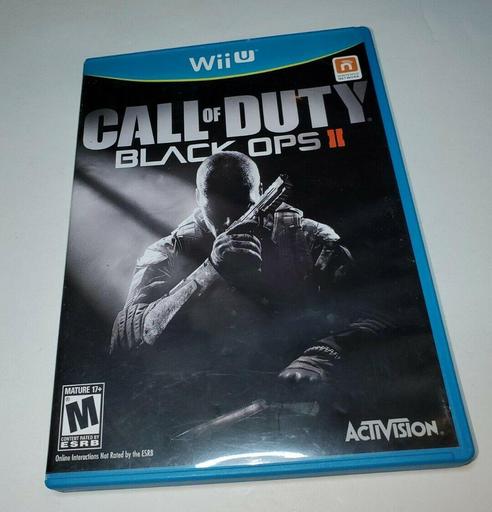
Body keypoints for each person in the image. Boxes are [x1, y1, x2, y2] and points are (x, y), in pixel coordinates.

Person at [109, 151, 391, 447]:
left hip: (303, 411)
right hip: (203, 414)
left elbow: (376, 313)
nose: (229, 223)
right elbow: (125, 341)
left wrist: (321, 357)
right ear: (198, 198)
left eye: (242, 207)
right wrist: (210, 271)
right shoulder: (168, 252)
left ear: (261, 194)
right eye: (217, 210)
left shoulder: (309, 238)